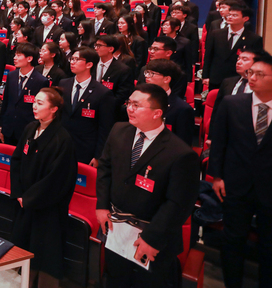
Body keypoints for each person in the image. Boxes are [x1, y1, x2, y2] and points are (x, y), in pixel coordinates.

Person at [96, 84, 199, 287]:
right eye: (129, 103)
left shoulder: (180, 153)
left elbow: (177, 204)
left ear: (157, 113)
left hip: (152, 236)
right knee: (115, 279)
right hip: (116, 228)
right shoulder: (119, 130)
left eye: (136, 105)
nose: (129, 108)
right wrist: (102, 205)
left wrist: (152, 239)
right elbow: (105, 169)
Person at [208, 51, 272, 288]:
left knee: (268, 244)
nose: (252, 78)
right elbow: (219, 142)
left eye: (259, 74)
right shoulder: (232, 103)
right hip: (235, 183)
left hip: (269, 187)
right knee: (233, 240)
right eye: (250, 73)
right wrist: (217, 176)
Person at [11, 87, 77, 288]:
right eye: (34, 101)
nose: (34, 106)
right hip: (25, 201)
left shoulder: (62, 139)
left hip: (46, 206)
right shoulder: (31, 128)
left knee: (44, 254)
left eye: (40, 103)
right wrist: (19, 193)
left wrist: (30, 198)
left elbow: (56, 179)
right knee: (23, 248)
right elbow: (16, 160)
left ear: (54, 109)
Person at [60, 47, 116, 166]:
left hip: (85, 148)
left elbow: (105, 127)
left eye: (77, 59)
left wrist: (98, 155)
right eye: (72, 59)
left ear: (89, 64)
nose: (72, 62)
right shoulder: (64, 84)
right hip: (61, 143)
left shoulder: (102, 93)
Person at [202, 2, 263, 91]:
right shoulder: (216, 34)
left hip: (238, 79)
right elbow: (208, 56)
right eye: (229, 15)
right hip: (216, 78)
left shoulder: (254, 39)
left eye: (234, 15)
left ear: (245, 18)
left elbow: (256, 61)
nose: (230, 17)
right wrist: (205, 76)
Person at [0, 43, 50, 144]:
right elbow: (6, 102)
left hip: (27, 129)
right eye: (15, 55)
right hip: (8, 128)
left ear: (29, 58)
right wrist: (1, 126)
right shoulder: (11, 75)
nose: (15, 58)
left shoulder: (41, 81)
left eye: (18, 55)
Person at [143, 59, 195, 145]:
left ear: (166, 79)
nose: (147, 76)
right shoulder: (139, 100)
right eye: (147, 72)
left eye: (152, 73)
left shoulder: (182, 109)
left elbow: (183, 144)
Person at [93, 36, 134, 108]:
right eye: (95, 45)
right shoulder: (91, 64)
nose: (96, 48)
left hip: (110, 108)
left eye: (99, 46)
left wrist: (103, 106)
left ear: (111, 49)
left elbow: (122, 95)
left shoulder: (123, 69)